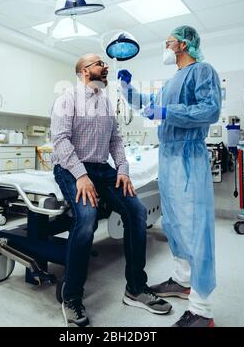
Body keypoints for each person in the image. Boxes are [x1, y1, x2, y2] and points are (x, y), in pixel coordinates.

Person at [51, 53, 172, 327]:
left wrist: (123, 169)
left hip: (102, 168)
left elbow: (116, 140)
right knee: (87, 217)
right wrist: (81, 176)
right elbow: (59, 140)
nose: (105, 67)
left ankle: (136, 288)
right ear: (84, 70)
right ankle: (71, 297)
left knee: (137, 211)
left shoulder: (105, 103)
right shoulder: (67, 98)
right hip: (71, 167)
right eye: (99, 63)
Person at [118, 26, 221, 328]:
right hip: (168, 158)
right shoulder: (172, 80)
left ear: (184, 44)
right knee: (174, 224)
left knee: (194, 228)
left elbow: (209, 110)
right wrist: (128, 89)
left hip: (188, 158)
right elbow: (152, 106)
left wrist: (166, 111)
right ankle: (182, 280)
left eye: (168, 42)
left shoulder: (203, 71)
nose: (165, 46)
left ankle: (202, 311)